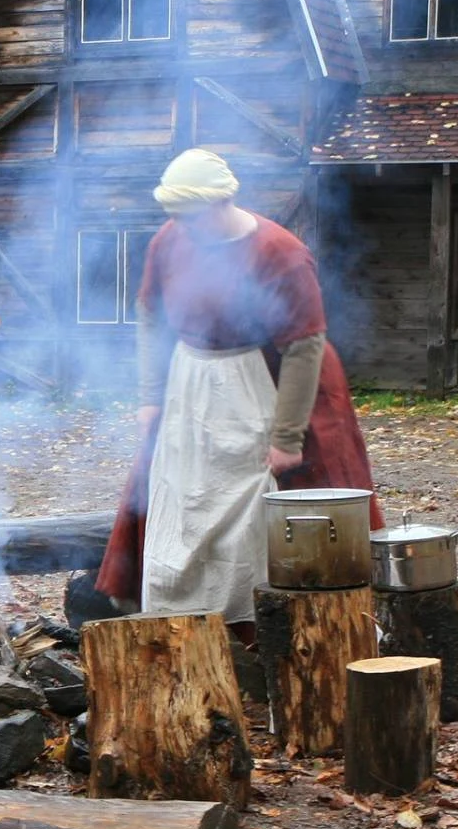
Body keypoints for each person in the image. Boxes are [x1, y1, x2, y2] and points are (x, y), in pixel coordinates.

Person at [97, 149, 380, 628]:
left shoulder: (280, 252)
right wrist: (149, 395)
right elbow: (150, 315)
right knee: (183, 497)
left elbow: (305, 347)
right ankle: (184, 619)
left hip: (274, 379)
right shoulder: (170, 239)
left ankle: (281, 628)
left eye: (190, 215)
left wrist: (287, 439)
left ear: (220, 202)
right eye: (176, 216)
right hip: (192, 384)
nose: (182, 225)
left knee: (293, 504)